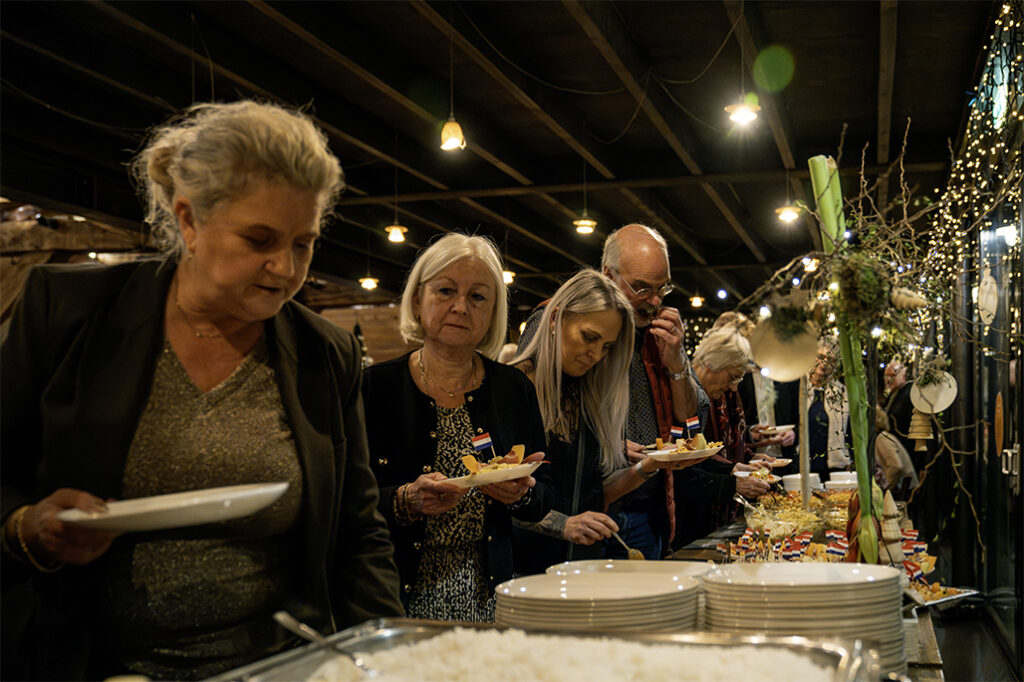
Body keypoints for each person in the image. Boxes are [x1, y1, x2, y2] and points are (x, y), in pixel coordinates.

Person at [0, 101, 402, 680]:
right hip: (93, 665)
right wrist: (25, 525)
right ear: (188, 220)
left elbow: (357, 532)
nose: (285, 268)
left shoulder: (323, 353)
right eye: (259, 239)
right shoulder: (67, 312)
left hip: (275, 667)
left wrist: (390, 661)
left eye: (303, 243)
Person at [363, 233, 554, 623]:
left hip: (489, 599)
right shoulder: (373, 387)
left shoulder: (513, 388)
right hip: (393, 600)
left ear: (493, 312)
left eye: (478, 296)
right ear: (417, 301)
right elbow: (345, 501)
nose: (460, 307)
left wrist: (519, 494)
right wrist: (405, 500)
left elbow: (546, 495)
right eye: (446, 291)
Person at [519, 224, 709, 559]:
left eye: (662, 288)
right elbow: (540, 427)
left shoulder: (661, 334)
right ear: (608, 275)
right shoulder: (555, 322)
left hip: (638, 502)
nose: (654, 301)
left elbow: (694, 421)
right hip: (567, 513)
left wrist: (677, 363)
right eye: (641, 288)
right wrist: (606, 444)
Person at [672, 325, 770, 547]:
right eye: (732, 377)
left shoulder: (703, 395)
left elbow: (696, 458)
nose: (733, 388)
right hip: (681, 521)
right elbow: (680, 470)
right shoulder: (685, 395)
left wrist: (734, 468)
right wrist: (732, 483)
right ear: (711, 363)